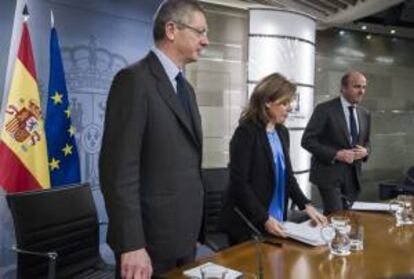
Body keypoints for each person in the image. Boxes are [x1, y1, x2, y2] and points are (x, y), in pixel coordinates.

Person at [99, 0, 209, 277]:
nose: (205, 41)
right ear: (172, 30)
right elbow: (118, 171)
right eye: (200, 32)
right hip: (148, 243)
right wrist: (132, 243)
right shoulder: (133, 80)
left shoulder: (187, 89)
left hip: (184, 237)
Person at [220, 73, 326, 245]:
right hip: (249, 221)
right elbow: (240, 183)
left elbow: (288, 177)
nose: (289, 108)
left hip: (277, 217)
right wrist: (264, 218)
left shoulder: (282, 132)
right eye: (284, 103)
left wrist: (307, 205)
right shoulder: (246, 133)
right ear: (267, 102)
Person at [301, 71, 371, 214]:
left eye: (364, 87)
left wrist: (366, 151)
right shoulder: (324, 109)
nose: (361, 91)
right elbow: (307, 140)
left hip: (353, 177)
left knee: (348, 216)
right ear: (343, 88)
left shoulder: (365, 113)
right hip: (329, 175)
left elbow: (367, 142)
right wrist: (336, 154)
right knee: (336, 216)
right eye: (357, 87)